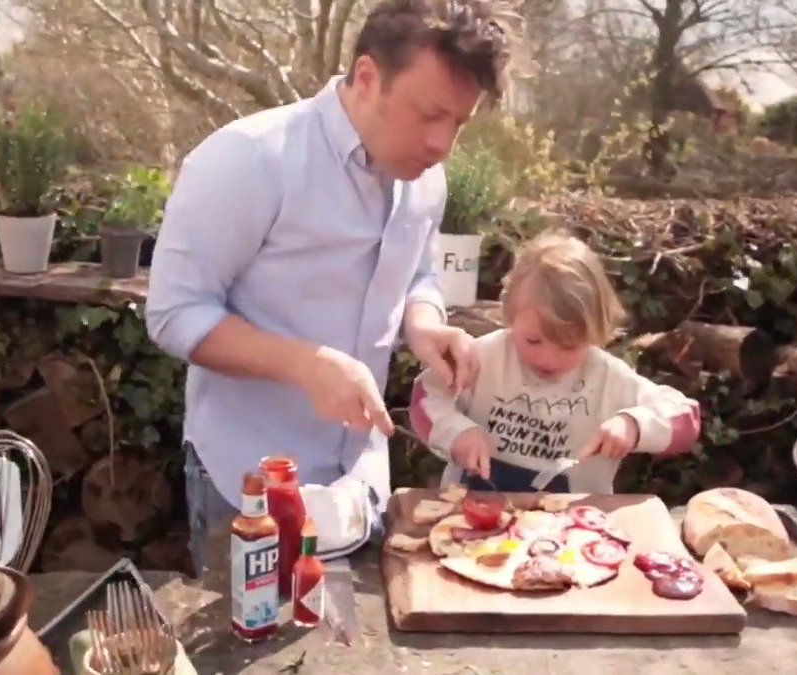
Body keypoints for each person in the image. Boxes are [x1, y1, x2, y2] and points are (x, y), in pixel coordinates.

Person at [145, 0, 518, 574]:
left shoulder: (426, 181)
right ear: (367, 77)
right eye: (429, 114)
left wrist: (424, 324)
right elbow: (174, 313)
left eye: (458, 124)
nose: (443, 144)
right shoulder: (248, 159)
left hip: (361, 483)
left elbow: (418, 272)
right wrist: (305, 365)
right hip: (246, 485)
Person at [408, 230, 702, 494]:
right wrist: (457, 433)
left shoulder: (608, 378)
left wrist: (634, 425)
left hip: (571, 535)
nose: (548, 359)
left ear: (594, 332)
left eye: (569, 345)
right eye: (533, 341)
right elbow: (426, 397)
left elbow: (685, 417)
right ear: (510, 315)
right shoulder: (483, 358)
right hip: (470, 519)